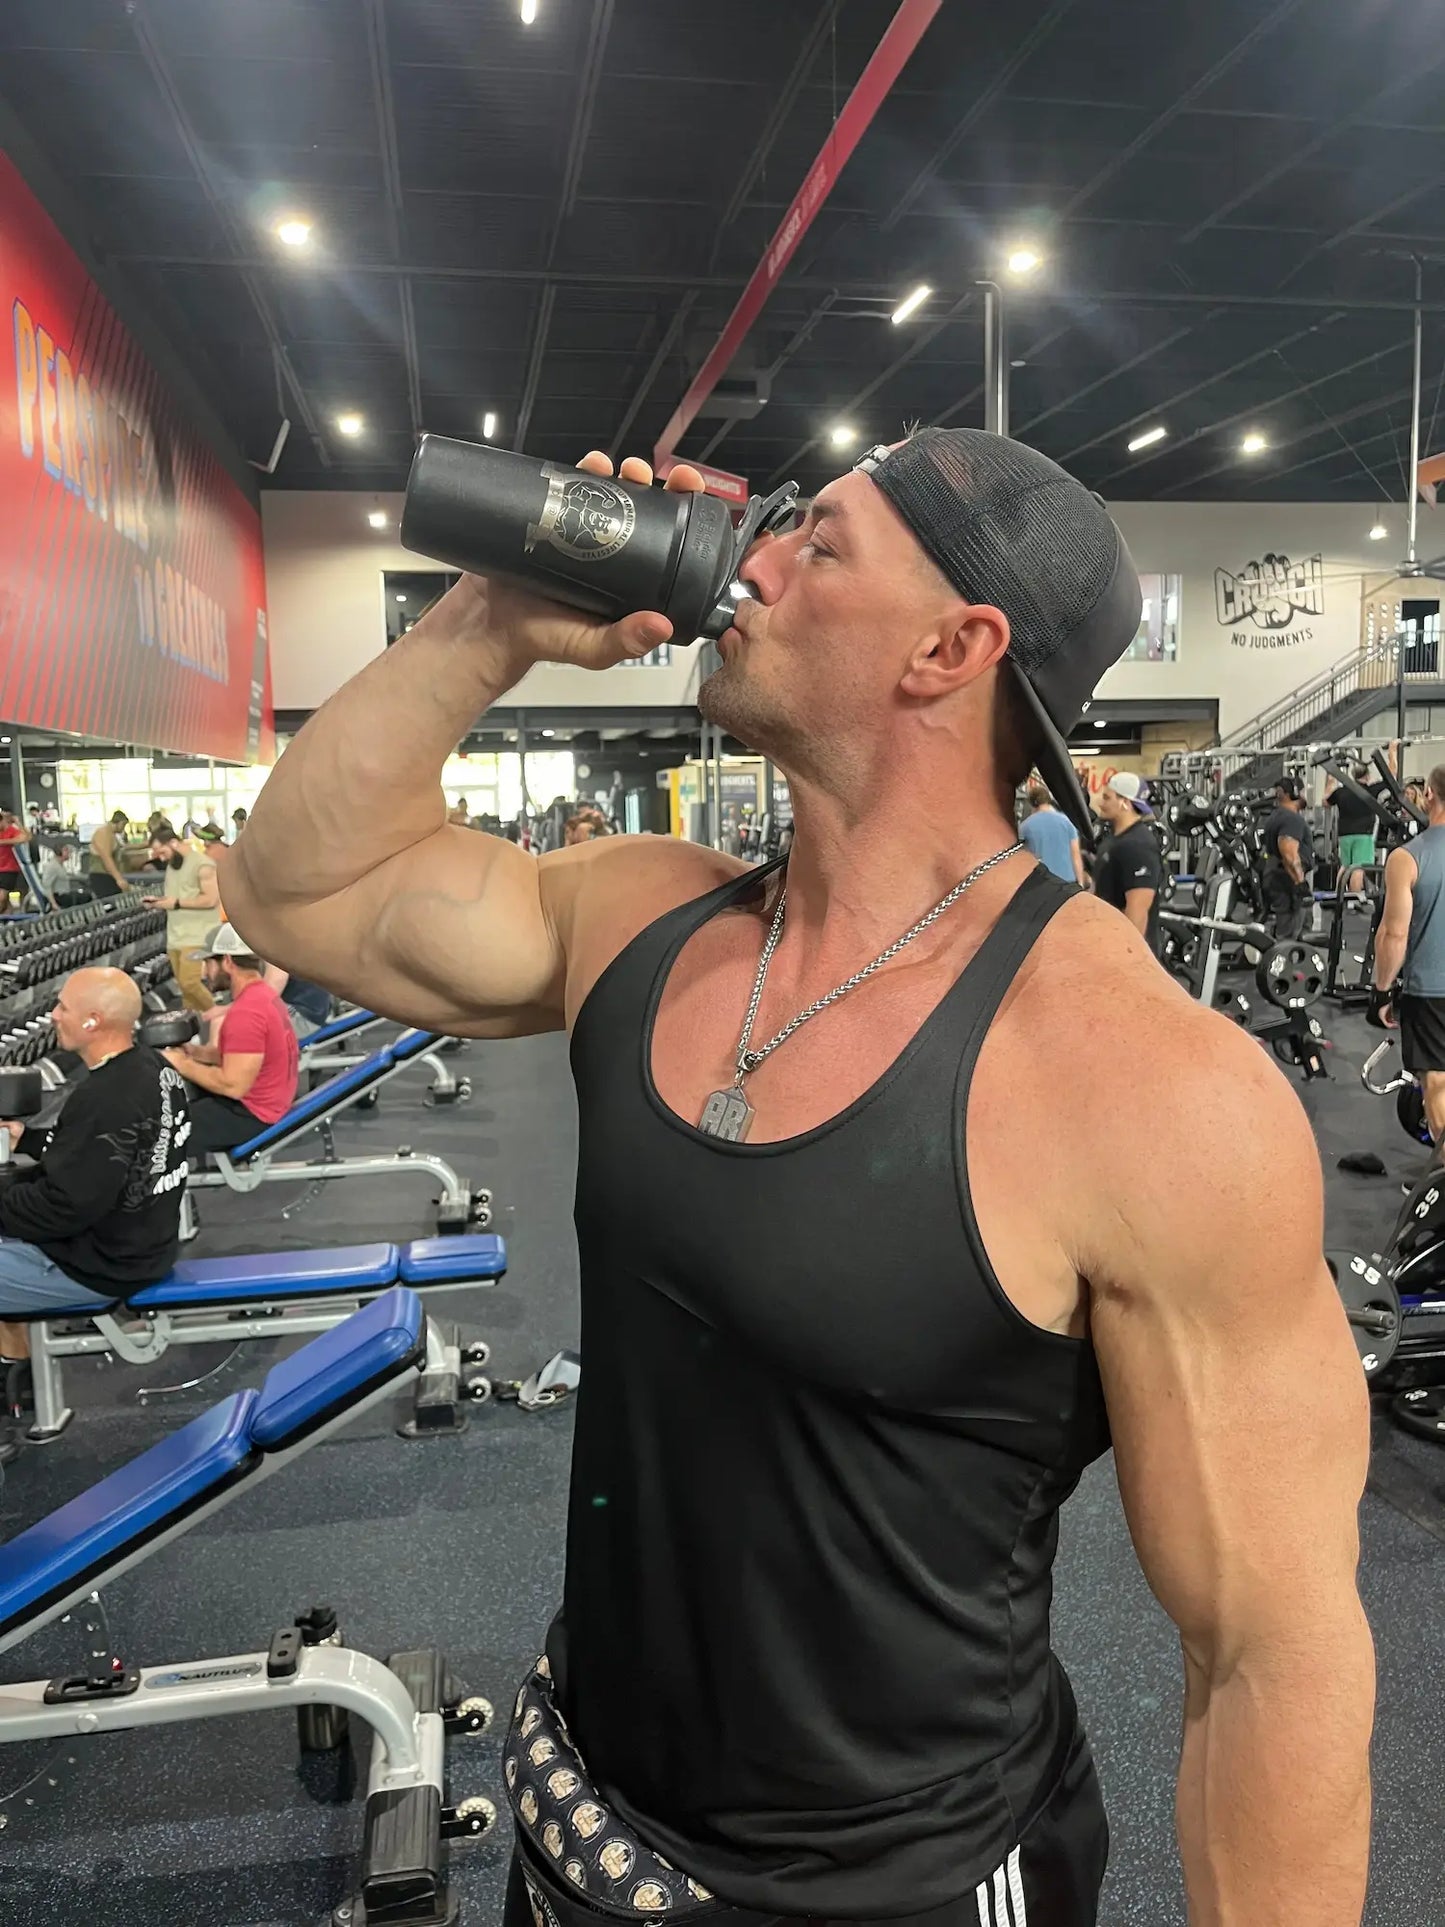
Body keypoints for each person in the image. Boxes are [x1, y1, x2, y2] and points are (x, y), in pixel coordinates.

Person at [226, 431, 1371, 1927]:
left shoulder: (1151, 1087)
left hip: (905, 1887)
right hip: (589, 1835)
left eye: (816, 544)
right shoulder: (642, 912)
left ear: (951, 647)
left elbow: (1269, 1656)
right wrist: (489, 619)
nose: (746, 565)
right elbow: (290, 887)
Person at [0, 969, 188, 1401]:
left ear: (92, 1021)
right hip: (144, 1245)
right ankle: (16, 1371)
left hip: (101, 1265)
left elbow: (62, 1208)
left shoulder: (103, 1096)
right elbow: (108, 1152)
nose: (53, 1016)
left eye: (63, 1007)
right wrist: (24, 1139)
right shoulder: (156, 1070)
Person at [162, 925, 298, 1153]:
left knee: (154, 1131)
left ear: (227, 962)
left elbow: (233, 1085)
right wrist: (197, 1053)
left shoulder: (247, 1012)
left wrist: (182, 1064)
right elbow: (245, 1056)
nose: (205, 973)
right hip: (267, 1102)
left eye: (208, 964)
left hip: (251, 1114)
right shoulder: (263, 996)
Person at [1376, 763, 1445, 1148]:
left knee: (1437, 1084)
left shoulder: (1407, 858)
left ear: (1429, 796)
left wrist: (1382, 990)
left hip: (1432, 993)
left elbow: (1393, 934)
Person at [149, 821, 221, 1012]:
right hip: (175, 936)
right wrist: (158, 902)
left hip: (197, 935)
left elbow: (211, 899)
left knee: (190, 984)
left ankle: (220, 1017)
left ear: (173, 843)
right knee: (184, 988)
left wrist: (176, 903)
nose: (161, 859)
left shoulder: (203, 864)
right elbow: (176, 897)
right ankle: (192, 1028)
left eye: (162, 852)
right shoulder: (172, 867)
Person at [1090, 772, 1164, 951]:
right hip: (1108, 944)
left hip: (1127, 954)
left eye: (1107, 798)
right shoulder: (1113, 840)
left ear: (1125, 803)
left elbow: (1138, 911)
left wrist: (1130, 957)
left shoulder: (1138, 845)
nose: (1101, 803)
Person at [1324, 752, 1392, 895]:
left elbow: (1325, 801)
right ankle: (1353, 899)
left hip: (1344, 836)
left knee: (1345, 867)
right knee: (1358, 868)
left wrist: (1330, 776)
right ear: (1367, 776)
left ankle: (1338, 897)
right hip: (1363, 835)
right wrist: (1393, 752)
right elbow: (1391, 776)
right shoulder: (1369, 791)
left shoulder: (1341, 791)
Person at [1260, 776, 1315, 940]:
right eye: (1302, 791)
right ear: (1294, 793)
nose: (1305, 795)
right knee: (1289, 936)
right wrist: (1300, 884)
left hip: (1278, 876)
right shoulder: (1291, 819)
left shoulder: (1277, 816)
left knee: (1303, 932)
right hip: (1287, 881)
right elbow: (1289, 854)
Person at [1019, 780, 1086, 887]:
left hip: (1040, 882)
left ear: (1031, 803)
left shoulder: (1025, 827)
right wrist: (1080, 883)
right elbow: (1075, 855)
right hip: (1066, 882)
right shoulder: (1067, 822)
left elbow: (1023, 858)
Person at [88, 809, 132, 897]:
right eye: (123, 825)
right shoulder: (104, 832)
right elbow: (106, 858)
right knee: (111, 906)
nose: (123, 828)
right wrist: (119, 879)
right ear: (118, 822)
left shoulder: (112, 835)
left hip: (108, 876)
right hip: (101, 876)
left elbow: (125, 847)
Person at [0, 811, 26, 909]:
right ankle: (6, 916)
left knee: (2, 898)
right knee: (4, 900)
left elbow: (24, 838)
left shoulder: (11, 830)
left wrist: (3, 842)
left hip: (9, 869)